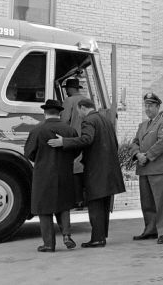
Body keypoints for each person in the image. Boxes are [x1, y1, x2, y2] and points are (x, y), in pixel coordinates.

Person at [48, 98, 125, 248]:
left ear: (83, 108)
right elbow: (115, 144)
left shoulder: (89, 120)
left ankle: (97, 239)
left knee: (95, 204)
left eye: (78, 111)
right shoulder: (105, 120)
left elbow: (87, 139)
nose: (79, 115)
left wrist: (64, 142)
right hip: (109, 170)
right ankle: (101, 236)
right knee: (103, 205)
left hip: (96, 171)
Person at [24, 99, 79, 252]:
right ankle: (67, 235)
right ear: (60, 112)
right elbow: (77, 149)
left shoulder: (37, 130)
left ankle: (49, 244)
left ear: (45, 112)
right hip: (65, 173)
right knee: (64, 206)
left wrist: (42, 159)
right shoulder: (69, 130)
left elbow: (29, 153)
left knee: (44, 208)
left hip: (43, 174)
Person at [130, 92, 163, 244]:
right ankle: (150, 230)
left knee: (161, 202)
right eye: (146, 105)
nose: (147, 108)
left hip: (158, 169)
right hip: (144, 169)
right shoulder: (142, 125)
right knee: (147, 203)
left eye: (150, 105)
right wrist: (137, 154)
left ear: (157, 106)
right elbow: (134, 142)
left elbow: (162, 143)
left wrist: (146, 156)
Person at [60, 78, 87, 206]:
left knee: (75, 168)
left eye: (66, 89)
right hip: (87, 138)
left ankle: (77, 200)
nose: (65, 91)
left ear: (71, 89)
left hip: (73, 139)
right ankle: (85, 198)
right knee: (84, 166)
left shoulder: (69, 100)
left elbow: (64, 120)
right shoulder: (87, 101)